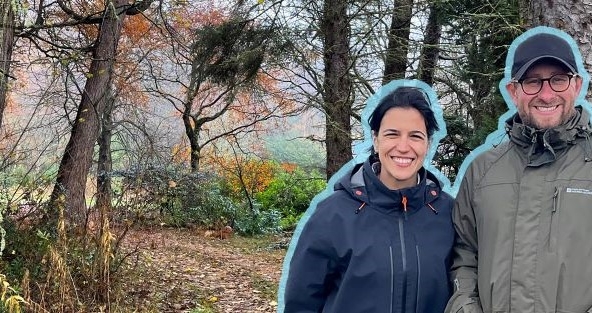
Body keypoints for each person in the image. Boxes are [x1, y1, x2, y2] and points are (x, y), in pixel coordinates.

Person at [445, 27, 592, 313]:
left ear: (576, 85)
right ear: (513, 91)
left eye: (558, 80)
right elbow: (463, 256)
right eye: (532, 82)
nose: (546, 94)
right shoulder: (482, 171)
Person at [283, 84, 455, 313]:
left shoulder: (448, 215)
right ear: (375, 139)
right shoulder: (333, 214)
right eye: (392, 134)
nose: (403, 147)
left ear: (428, 144)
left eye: (415, 136)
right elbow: (301, 304)